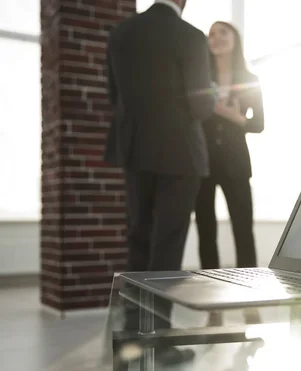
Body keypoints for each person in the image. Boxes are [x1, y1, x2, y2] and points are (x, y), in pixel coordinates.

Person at [104, 0, 215, 365]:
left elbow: (113, 96)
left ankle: (132, 336)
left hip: (134, 148)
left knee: (138, 239)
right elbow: (200, 106)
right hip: (179, 153)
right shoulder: (190, 36)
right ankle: (161, 343)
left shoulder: (121, 32)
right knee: (166, 249)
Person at [195, 21, 264, 271]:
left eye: (222, 32)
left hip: (236, 163)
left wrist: (235, 117)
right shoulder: (200, 78)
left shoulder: (250, 79)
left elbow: (258, 124)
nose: (216, 37)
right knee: (205, 229)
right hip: (203, 162)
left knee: (243, 227)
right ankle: (208, 286)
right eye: (211, 34)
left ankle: (249, 286)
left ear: (235, 38)